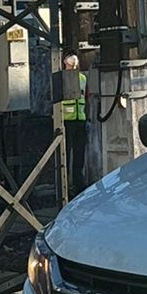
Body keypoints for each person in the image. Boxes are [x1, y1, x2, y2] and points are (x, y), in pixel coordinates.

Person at [59, 52, 88, 196]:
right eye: (70, 56)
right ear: (64, 61)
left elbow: (86, 97)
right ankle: (65, 186)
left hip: (80, 119)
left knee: (79, 153)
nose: (73, 59)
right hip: (66, 120)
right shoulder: (61, 78)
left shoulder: (82, 78)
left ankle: (79, 184)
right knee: (66, 154)